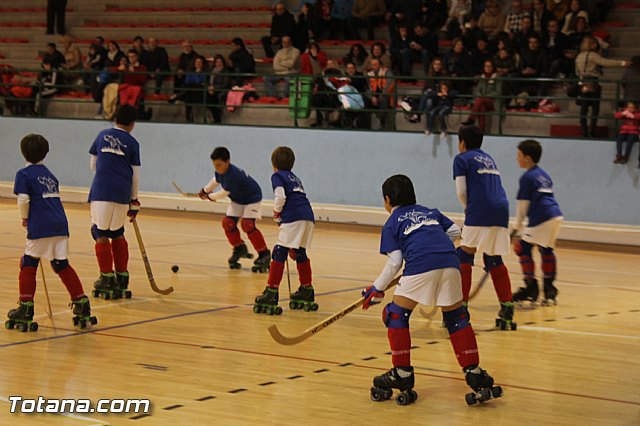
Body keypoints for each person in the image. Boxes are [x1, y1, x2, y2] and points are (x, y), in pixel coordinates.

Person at [362, 174, 501, 405]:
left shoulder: (392, 222)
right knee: (457, 318)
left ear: (387, 200)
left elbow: (395, 262)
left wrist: (377, 288)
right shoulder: (430, 212)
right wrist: (435, 242)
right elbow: (456, 232)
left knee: (395, 315)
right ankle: (474, 372)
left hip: (420, 266)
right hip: (450, 262)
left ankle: (402, 373)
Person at [8, 134, 96, 331]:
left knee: (29, 263)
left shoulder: (24, 174)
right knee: (61, 264)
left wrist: (25, 218)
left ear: (23, 153)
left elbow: (23, 199)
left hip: (41, 224)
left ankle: (26, 307)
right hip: (60, 224)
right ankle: (81, 303)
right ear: (45, 153)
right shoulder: (50, 175)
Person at [453, 125, 516, 330]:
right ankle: (507, 308)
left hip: (479, 209)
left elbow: (462, 192)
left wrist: (467, 209)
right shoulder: (489, 158)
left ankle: (460, 310)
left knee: (464, 256)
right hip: (501, 210)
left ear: (462, 142)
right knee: (493, 258)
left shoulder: (461, 159)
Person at [254, 147, 316, 314]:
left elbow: (280, 196)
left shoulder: (277, 176)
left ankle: (271, 291)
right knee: (300, 252)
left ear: (274, 165)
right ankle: (306, 290)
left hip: (293, 216)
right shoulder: (295, 178)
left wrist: (276, 213)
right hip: (308, 216)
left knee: (279, 252)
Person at [88, 105, 141, 300]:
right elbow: (135, 175)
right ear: (133, 124)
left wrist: (107, 174)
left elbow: (93, 164)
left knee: (100, 232)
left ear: (114, 118)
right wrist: (134, 200)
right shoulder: (133, 143)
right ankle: (122, 277)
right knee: (117, 233)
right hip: (122, 192)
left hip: (102, 190)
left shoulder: (102, 135)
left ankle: (107, 278)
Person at [199, 147, 271, 271]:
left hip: (252, 198)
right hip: (238, 199)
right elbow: (216, 180)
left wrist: (209, 197)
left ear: (228, 161)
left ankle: (264, 254)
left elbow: (223, 193)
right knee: (228, 223)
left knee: (248, 225)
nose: (217, 168)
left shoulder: (233, 175)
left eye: (219, 165)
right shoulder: (221, 172)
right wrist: (204, 190)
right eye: (215, 165)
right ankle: (239, 248)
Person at [512, 139, 564, 305]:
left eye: (519, 155)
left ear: (527, 158)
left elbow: (523, 205)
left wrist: (516, 226)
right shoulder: (544, 175)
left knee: (522, 248)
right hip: (555, 216)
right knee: (546, 250)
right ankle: (549, 290)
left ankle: (531, 287)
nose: (517, 158)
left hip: (542, 217)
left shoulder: (527, 177)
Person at [574, 35, 627, 137]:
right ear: (591, 44)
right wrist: (622, 63)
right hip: (593, 82)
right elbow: (605, 62)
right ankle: (592, 130)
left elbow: (577, 72)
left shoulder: (579, 56)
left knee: (584, 108)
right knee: (595, 107)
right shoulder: (593, 55)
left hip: (582, 81)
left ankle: (583, 130)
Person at [462, 59, 501, 133]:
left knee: (480, 100)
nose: (487, 68)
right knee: (481, 107)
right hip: (482, 102)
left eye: (489, 66)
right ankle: (481, 130)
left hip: (493, 102)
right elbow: (478, 91)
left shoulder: (497, 77)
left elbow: (498, 92)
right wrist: (481, 96)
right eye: (486, 66)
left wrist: (485, 96)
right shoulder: (482, 77)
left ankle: (471, 119)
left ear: (493, 67)